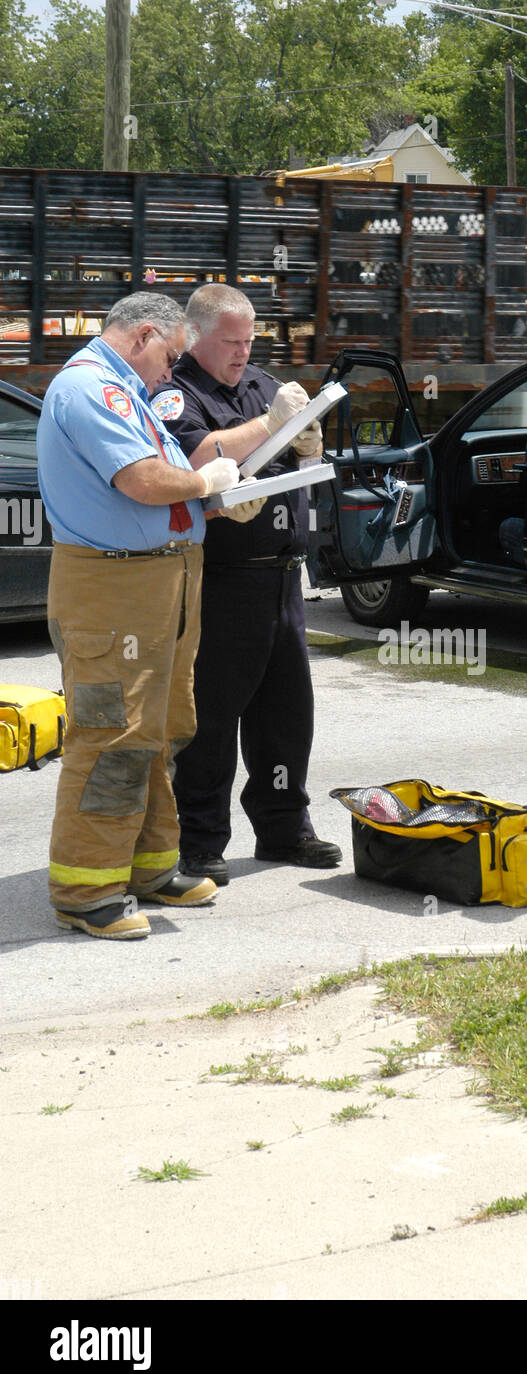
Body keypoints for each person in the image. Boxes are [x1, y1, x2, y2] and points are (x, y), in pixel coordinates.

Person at [36, 292, 245, 940]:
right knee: (112, 738)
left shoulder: (128, 393)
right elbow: (144, 483)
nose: (172, 373)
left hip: (159, 583)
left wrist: (214, 501)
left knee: (160, 730)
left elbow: (164, 489)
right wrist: (207, 483)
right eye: (171, 357)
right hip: (113, 588)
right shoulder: (93, 390)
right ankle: (86, 890)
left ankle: (151, 867)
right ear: (143, 335)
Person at [150, 283, 341, 885]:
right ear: (197, 336)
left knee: (286, 714)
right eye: (230, 341)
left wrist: (309, 445)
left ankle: (285, 828)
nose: (242, 350)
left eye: (249, 338)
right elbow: (197, 455)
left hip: (283, 578)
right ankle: (201, 841)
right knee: (210, 718)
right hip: (222, 581)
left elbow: (293, 459)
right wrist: (270, 423)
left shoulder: (262, 383)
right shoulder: (177, 393)